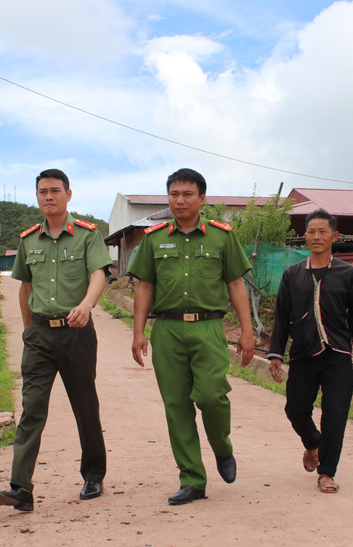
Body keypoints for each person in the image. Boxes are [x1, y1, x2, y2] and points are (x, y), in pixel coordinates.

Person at [127, 167, 255, 506]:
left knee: (212, 396)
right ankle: (192, 479)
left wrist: (247, 331)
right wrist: (139, 332)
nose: (180, 200)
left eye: (187, 194)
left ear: (202, 198)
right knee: (177, 406)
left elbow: (236, 284)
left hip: (208, 327)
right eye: (174, 194)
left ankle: (222, 447)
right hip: (167, 330)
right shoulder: (153, 238)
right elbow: (145, 286)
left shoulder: (221, 236)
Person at [0, 168, 112, 512]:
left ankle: (93, 475)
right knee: (31, 409)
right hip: (40, 336)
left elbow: (99, 274)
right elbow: (25, 287)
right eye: (42, 191)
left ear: (68, 195)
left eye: (55, 191)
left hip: (77, 333)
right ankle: (20, 487)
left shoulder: (88, 235)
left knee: (85, 406)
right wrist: (28, 330)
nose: (49, 197)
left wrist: (86, 305)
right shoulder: (28, 240)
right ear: (37, 196)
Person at [267, 208, 353, 494]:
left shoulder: (348, 274)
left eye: (323, 231)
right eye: (311, 231)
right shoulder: (292, 275)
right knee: (295, 409)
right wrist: (276, 353)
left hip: (337, 355)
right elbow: (281, 317)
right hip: (303, 355)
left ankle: (327, 472)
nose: (316, 236)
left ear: (334, 236)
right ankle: (312, 442)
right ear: (305, 236)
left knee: (335, 414)